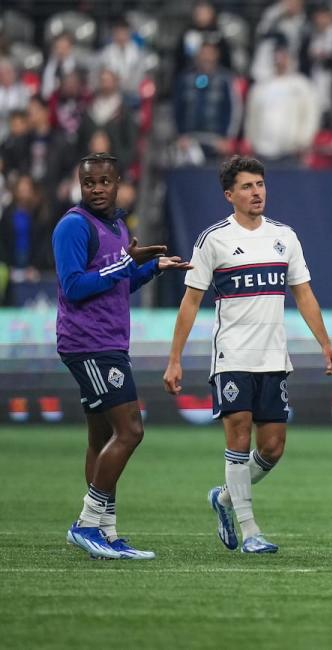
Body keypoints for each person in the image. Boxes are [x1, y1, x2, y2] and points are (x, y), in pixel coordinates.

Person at [162, 156, 332, 554]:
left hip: (273, 357)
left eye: (260, 184)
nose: (256, 192)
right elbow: (191, 301)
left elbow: (304, 293)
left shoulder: (285, 237)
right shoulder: (215, 240)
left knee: (273, 447)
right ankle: (250, 530)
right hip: (232, 356)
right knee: (239, 434)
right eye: (247, 186)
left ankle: (224, 498)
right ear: (229, 195)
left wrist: (325, 343)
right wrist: (175, 358)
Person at [56, 153, 191, 559]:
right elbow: (74, 286)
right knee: (131, 430)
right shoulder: (73, 226)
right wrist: (127, 264)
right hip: (89, 343)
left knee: (102, 437)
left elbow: (116, 283)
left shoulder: (115, 224)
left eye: (104, 181)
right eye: (89, 182)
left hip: (108, 341)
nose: (96, 189)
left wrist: (151, 268)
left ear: (119, 183)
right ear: (80, 185)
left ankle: (107, 532)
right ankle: (85, 523)